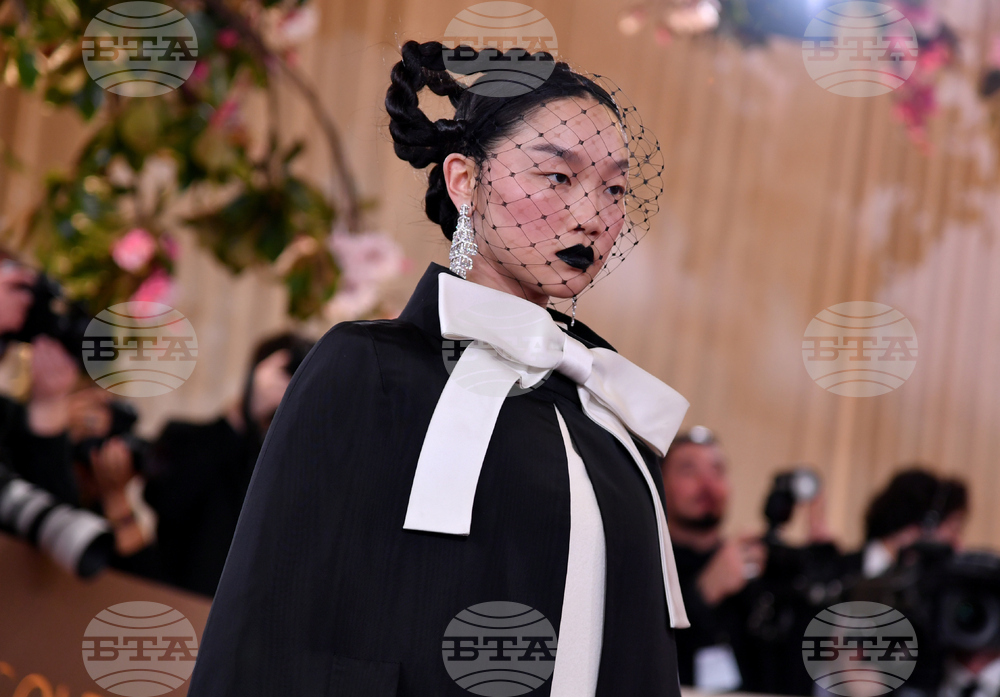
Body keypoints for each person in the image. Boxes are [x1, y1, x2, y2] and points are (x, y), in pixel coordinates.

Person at [188, 41, 691, 697]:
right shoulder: (368, 369)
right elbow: (265, 624)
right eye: (558, 176)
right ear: (464, 180)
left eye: (615, 187)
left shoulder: (606, 411)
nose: (593, 215)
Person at [142, 332, 315, 596]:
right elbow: (166, 500)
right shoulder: (186, 438)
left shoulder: (302, 474)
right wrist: (247, 411)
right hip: (179, 604)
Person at [0, 250, 79, 504]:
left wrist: (49, 405)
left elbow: (55, 519)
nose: (25, 299)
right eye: (15, 285)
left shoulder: (7, 414)